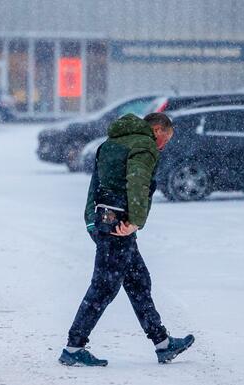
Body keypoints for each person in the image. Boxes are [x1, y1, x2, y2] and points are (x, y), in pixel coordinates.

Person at [59, 112, 195, 367]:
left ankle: (162, 343)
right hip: (121, 224)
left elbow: (95, 186)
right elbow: (138, 181)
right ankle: (74, 346)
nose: (164, 145)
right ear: (157, 130)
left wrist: (92, 221)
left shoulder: (110, 143)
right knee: (104, 286)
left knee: (138, 281)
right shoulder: (143, 144)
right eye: (165, 138)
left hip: (106, 220)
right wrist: (135, 221)